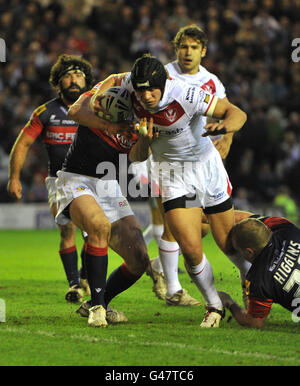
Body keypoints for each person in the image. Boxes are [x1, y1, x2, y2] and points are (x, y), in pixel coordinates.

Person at [91, 54, 247, 327]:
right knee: (189, 248)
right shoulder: (129, 93)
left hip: (206, 168)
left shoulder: (186, 94)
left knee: (226, 242)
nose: (147, 96)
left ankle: (251, 285)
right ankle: (214, 306)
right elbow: (137, 157)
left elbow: (237, 112)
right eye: (141, 90)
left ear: (164, 84)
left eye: (152, 89)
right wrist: (143, 140)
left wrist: (225, 127)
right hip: (172, 175)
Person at [145, 25, 248, 309]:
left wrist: (227, 136)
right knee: (173, 223)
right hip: (169, 163)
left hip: (203, 162)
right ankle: (174, 288)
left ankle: (160, 265)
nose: (187, 52)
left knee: (202, 228)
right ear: (175, 48)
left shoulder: (210, 80)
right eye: (182, 46)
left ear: (203, 51)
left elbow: (228, 110)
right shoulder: (161, 75)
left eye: (193, 47)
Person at [55, 72, 150, 328]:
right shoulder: (100, 96)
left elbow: (137, 157)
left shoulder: (141, 120)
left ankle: (98, 303)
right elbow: (74, 111)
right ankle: (97, 307)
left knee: (139, 258)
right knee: (98, 227)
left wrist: (145, 138)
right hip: (74, 179)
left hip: (107, 185)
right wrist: (109, 125)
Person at [7, 54, 94, 302]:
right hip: (59, 181)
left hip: (92, 180)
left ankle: (87, 276)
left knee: (92, 232)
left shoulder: (96, 108)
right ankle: (75, 285)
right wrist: (14, 178)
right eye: (67, 76)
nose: (73, 80)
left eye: (78, 75)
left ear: (86, 81)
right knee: (67, 230)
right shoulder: (46, 112)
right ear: (58, 82)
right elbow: (22, 144)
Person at [219, 211, 300, 328]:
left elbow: (255, 322)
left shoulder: (259, 279)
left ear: (249, 252)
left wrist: (229, 302)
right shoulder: (287, 229)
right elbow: (247, 218)